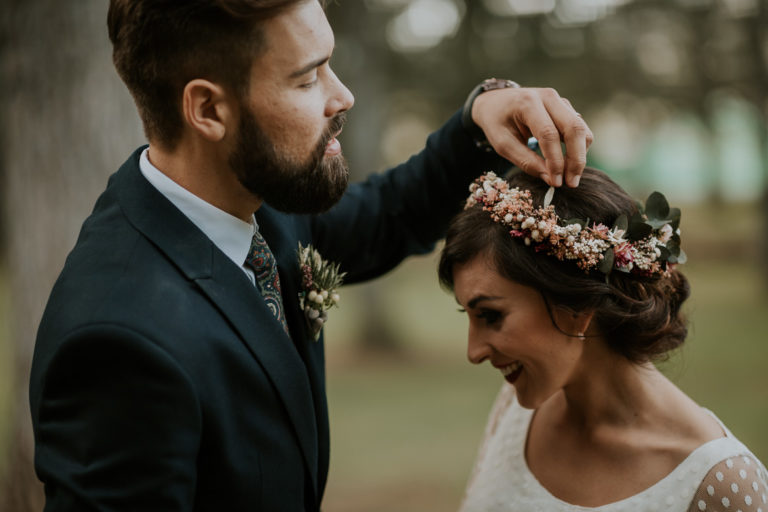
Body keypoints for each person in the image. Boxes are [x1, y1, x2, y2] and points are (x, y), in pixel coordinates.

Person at [28, 0, 592, 510]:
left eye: (330, 63)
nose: (342, 96)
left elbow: (386, 215)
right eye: (306, 79)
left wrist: (481, 115)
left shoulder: (255, 201)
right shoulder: (118, 343)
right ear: (208, 110)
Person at [438, 168, 768, 511]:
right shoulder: (514, 410)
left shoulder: (722, 485)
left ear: (577, 305)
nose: (472, 352)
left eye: (491, 316)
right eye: (469, 316)